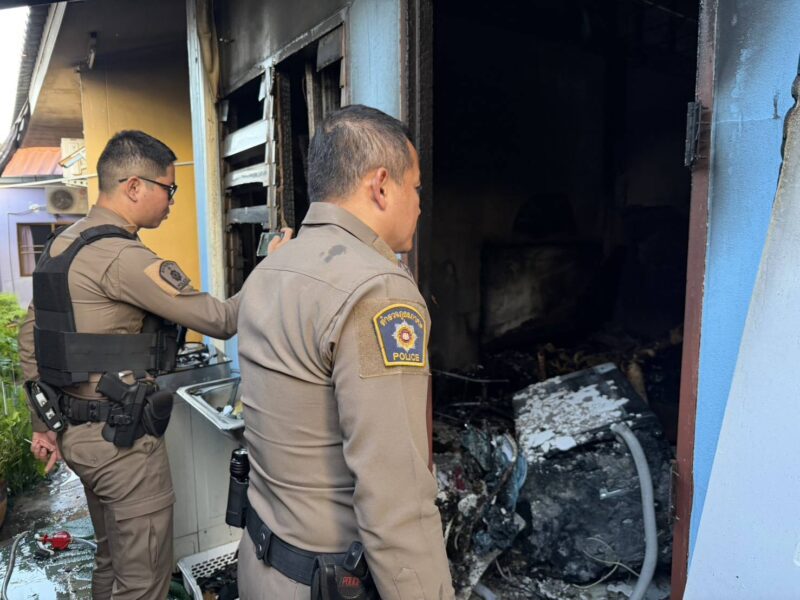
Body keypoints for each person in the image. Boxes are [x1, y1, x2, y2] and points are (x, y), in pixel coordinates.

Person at [17, 130, 290, 600]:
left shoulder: (62, 246)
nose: (171, 202)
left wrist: (45, 426)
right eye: (169, 188)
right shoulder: (122, 256)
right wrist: (273, 267)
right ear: (133, 186)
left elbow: (31, 338)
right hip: (120, 446)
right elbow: (222, 320)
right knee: (144, 581)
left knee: (111, 561)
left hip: (78, 434)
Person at [237, 105, 455, 599]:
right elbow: (394, 498)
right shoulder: (378, 290)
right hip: (327, 583)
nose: (420, 205)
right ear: (381, 186)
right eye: (416, 188)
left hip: (261, 563)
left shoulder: (271, 268)